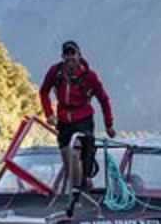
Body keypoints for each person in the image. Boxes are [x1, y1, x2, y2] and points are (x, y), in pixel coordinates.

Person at [39, 40, 116, 208]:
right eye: (66, 54)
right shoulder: (55, 71)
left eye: (72, 54)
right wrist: (49, 114)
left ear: (79, 56)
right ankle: (83, 187)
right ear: (62, 56)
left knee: (76, 153)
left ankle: (77, 196)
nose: (69, 57)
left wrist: (109, 124)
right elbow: (43, 91)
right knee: (68, 159)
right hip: (64, 119)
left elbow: (103, 99)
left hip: (83, 118)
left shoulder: (90, 76)